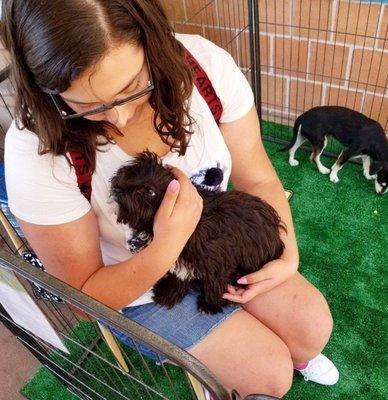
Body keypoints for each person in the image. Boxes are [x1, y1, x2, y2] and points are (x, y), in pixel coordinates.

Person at [2, 0, 339, 398]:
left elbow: (259, 178)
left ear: (153, 41)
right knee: (267, 375)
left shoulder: (206, 67)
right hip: (132, 285)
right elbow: (81, 299)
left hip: (217, 245)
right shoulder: (37, 152)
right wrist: (167, 244)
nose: (120, 118)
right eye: (84, 106)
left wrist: (288, 256)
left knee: (312, 326)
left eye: (132, 88)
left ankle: (297, 355)